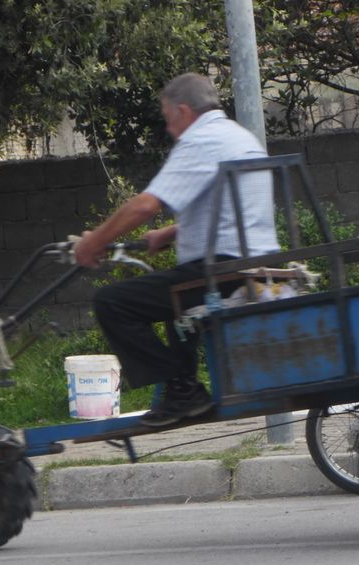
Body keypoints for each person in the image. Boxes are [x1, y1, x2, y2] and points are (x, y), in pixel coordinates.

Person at [73, 73, 278, 426]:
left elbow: (144, 205)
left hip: (223, 272)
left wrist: (95, 242)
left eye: (168, 119)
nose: (169, 129)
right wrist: (171, 231)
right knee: (173, 297)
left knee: (113, 302)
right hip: (255, 263)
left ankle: (183, 391)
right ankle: (184, 391)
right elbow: (231, 209)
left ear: (183, 111)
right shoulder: (238, 137)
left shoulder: (200, 140)